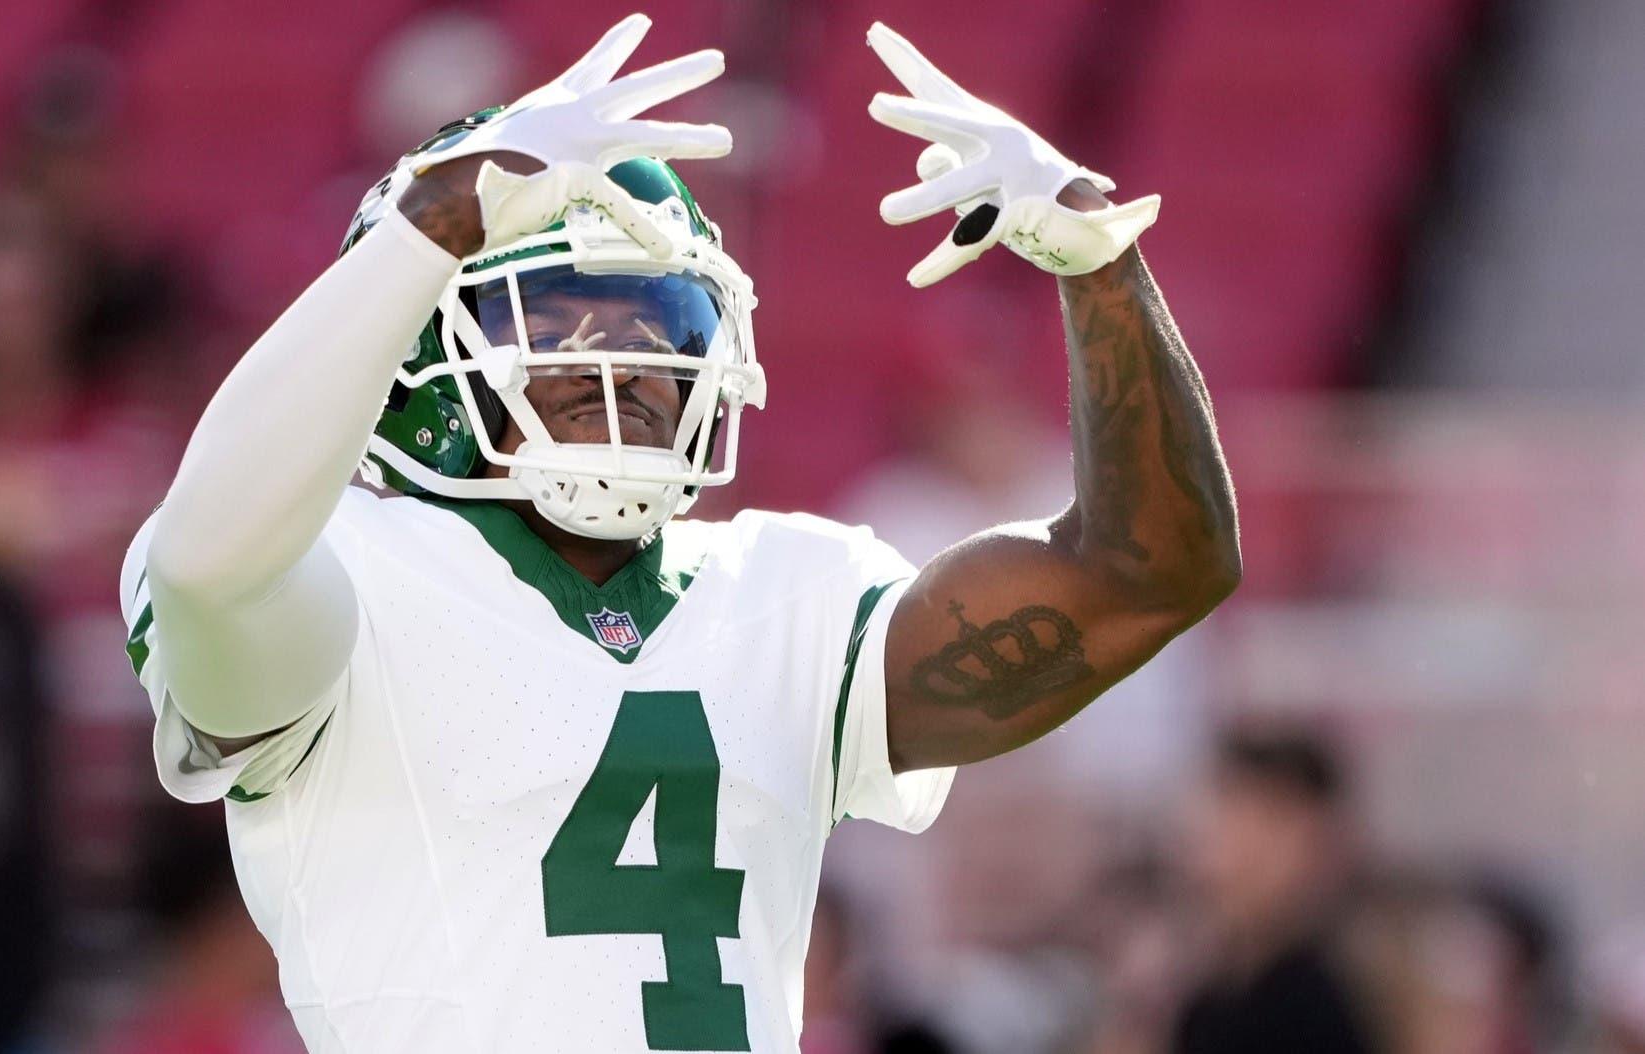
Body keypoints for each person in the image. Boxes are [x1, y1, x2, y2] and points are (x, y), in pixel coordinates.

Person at [120, 15, 1239, 1052]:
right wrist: (430, 226)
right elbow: (209, 561)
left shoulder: (790, 594)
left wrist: (1100, 266)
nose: (629, 364)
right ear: (417, 345)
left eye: (664, 324)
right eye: (558, 319)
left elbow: (1148, 575)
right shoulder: (345, 570)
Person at [1173, 727, 1376, 1054]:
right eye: (1231, 820)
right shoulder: (1207, 1007)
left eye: (1272, 824)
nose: (1240, 855)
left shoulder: (1339, 1000)